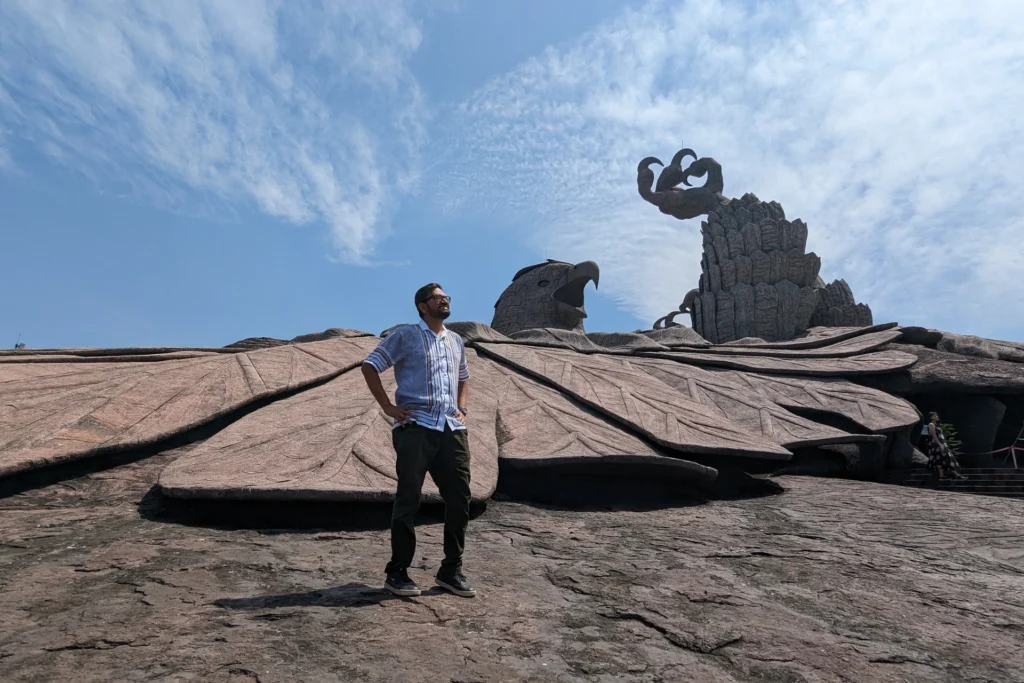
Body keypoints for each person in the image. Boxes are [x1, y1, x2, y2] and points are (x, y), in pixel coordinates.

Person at [361, 283, 476, 599]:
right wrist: (387, 406)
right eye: (438, 298)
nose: (444, 301)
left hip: (451, 428)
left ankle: (451, 571)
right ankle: (398, 572)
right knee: (409, 498)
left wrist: (462, 408)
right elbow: (371, 365)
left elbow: (463, 377)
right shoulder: (406, 335)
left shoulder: (455, 341)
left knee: (460, 498)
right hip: (415, 427)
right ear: (422, 306)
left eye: (446, 297)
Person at [922, 412, 966, 480]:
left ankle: (953, 474)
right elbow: (934, 435)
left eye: (936, 415)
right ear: (931, 417)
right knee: (940, 458)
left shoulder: (936, 425)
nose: (937, 416)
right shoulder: (931, 424)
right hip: (936, 445)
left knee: (944, 458)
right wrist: (939, 444)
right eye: (935, 415)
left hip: (942, 444)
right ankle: (946, 475)